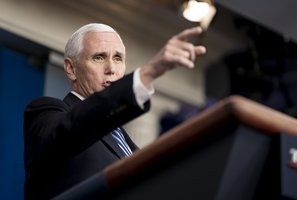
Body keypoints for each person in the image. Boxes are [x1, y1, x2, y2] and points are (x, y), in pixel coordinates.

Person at [23, 23, 206, 200]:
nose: (111, 69)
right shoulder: (45, 112)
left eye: (117, 58)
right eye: (99, 57)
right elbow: (72, 128)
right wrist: (147, 74)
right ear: (71, 69)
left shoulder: (128, 145)